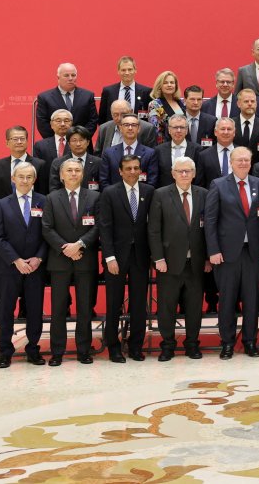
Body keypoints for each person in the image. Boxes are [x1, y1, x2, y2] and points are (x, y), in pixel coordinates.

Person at [204, 146, 259, 359]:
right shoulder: (219, 185)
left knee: (252, 300)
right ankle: (227, 342)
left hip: (253, 252)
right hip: (226, 253)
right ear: (231, 162)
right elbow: (210, 220)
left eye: (246, 160)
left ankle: (250, 341)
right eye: (239, 160)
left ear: (251, 163)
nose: (243, 163)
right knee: (228, 300)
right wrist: (212, 250)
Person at [147, 156, 208, 361]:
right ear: (173, 173)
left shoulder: (204, 194)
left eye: (188, 171)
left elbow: (209, 229)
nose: (184, 174)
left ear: (194, 173)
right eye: (180, 171)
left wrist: (208, 258)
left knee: (194, 307)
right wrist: (158, 258)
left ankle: (192, 344)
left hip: (197, 263)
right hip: (169, 262)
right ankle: (167, 346)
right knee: (167, 307)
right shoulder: (161, 195)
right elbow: (154, 230)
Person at [42, 158, 101, 366]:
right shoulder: (51, 198)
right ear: (61, 175)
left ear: (83, 174)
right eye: (69, 170)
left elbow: (98, 226)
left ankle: (83, 350)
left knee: (85, 308)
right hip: (60, 260)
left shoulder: (94, 196)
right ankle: (57, 351)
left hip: (85, 259)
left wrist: (80, 244)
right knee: (58, 309)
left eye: (77, 170)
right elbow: (47, 228)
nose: (74, 173)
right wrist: (66, 248)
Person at [0, 162, 48, 367]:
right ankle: (5, 350)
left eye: (29, 177)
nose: (25, 181)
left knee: (34, 309)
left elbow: (47, 234)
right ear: (13, 179)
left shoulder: (43, 201)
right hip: (9, 267)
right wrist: (16, 260)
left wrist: (38, 258)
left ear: (35, 179)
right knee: (6, 310)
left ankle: (33, 349)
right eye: (21, 177)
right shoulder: (1, 204)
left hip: (35, 267)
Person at [96, 154, 153, 362]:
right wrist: (109, 257)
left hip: (140, 256)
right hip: (116, 258)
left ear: (140, 170)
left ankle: (135, 345)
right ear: (120, 171)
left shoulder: (149, 191)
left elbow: (152, 227)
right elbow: (105, 227)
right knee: (114, 303)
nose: (132, 172)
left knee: (138, 304)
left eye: (136, 168)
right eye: (127, 168)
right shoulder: (110, 193)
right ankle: (113, 347)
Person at [35, 62, 98, 138]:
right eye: (66, 75)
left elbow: (93, 121)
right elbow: (43, 124)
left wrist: (80, 138)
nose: (70, 78)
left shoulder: (87, 96)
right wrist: (58, 140)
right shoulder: (45, 97)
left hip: (81, 143)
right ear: (58, 77)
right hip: (56, 145)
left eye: (73, 75)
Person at [100, 114, 159, 187]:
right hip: (115, 196)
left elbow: (152, 181)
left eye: (134, 125)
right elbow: (104, 180)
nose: (130, 128)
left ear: (139, 128)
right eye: (126, 125)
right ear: (120, 128)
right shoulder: (109, 153)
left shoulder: (150, 153)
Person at [0, 125, 48, 199]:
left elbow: (43, 192)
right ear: (7, 143)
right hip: (3, 209)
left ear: (27, 141)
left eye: (22, 139)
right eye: (15, 139)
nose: (19, 142)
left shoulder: (39, 164)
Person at [98, 56, 152, 125]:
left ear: (135, 70)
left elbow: (149, 118)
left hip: (139, 133)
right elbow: (102, 118)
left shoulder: (146, 92)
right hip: (114, 132)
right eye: (123, 70)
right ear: (118, 71)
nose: (127, 73)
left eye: (130, 69)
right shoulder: (108, 91)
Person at [49, 126, 100, 192]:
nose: (78, 144)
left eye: (81, 140)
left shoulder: (98, 162)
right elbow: (54, 188)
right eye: (74, 140)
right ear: (69, 144)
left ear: (88, 142)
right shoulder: (58, 163)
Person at [157, 115, 200, 189]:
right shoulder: (159, 150)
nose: (179, 130)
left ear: (186, 130)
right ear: (169, 130)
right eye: (175, 127)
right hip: (166, 195)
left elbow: (199, 177)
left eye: (182, 127)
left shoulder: (197, 149)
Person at [146, 70, 184, 140]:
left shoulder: (181, 102)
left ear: (176, 86)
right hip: (165, 145)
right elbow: (156, 129)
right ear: (160, 86)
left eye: (172, 82)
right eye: (165, 83)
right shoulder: (155, 104)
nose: (169, 85)